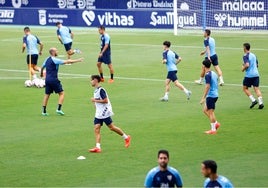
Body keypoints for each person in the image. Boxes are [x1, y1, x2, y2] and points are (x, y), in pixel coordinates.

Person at [88, 75, 131, 153]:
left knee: (112, 127)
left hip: (104, 111)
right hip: (98, 112)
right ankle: (98, 147)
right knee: (96, 128)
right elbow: (98, 100)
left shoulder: (101, 90)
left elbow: (105, 100)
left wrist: (95, 100)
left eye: (91, 80)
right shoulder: (95, 90)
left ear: (95, 80)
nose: (90, 82)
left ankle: (126, 137)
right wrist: (95, 104)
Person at [40, 47, 83, 116]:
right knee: (62, 93)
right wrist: (78, 60)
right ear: (53, 52)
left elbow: (42, 67)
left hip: (47, 80)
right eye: (56, 51)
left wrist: (41, 73)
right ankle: (59, 109)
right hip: (54, 79)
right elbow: (67, 61)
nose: (58, 52)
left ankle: (44, 111)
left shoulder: (47, 59)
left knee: (47, 95)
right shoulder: (55, 60)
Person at [200, 59, 220, 135]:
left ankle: (213, 130)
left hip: (211, 96)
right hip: (215, 94)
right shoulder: (213, 73)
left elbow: (207, 86)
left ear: (204, 66)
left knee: (211, 113)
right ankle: (216, 123)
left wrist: (203, 97)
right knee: (205, 110)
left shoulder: (207, 75)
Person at [242, 43, 264, 109]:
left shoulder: (245, 56)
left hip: (249, 75)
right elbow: (257, 65)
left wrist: (243, 68)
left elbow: (247, 65)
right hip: (256, 74)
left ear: (245, 48)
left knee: (245, 88)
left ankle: (253, 100)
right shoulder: (254, 55)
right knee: (256, 89)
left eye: (243, 47)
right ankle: (261, 103)